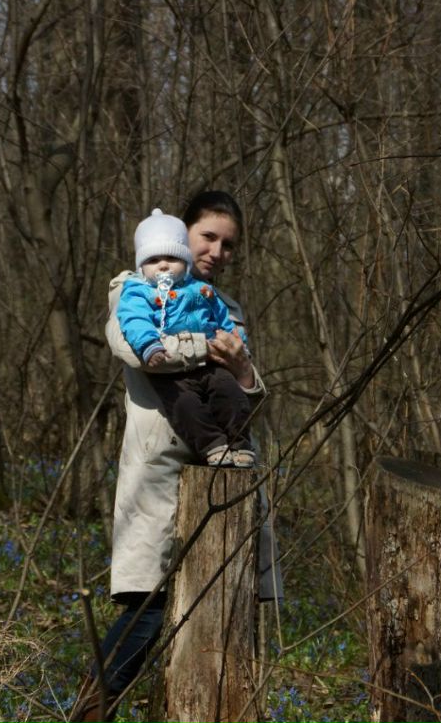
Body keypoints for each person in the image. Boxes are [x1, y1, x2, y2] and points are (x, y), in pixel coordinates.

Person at [69, 191, 281, 723]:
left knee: (219, 615)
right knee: (149, 606)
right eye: (208, 236)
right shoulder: (136, 288)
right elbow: (138, 352)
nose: (217, 251)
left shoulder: (223, 307)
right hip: (161, 478)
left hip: (225, 479)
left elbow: (247, 399)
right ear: (179, 236)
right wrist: (214, 351)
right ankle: (88, 714)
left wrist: (247, 374)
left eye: (228, 244)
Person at [114, 208, 256, 468]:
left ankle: (239, 442)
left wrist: (240, 349)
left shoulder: (203, 291)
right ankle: (214, 443)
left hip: (211, 370)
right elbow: (134, 323)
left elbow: (224, 323)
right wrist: (150, 344)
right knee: (184, 404)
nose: (164, 265)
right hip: (161, 454)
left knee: (228, 392)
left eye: (172, 257)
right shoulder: (134, 290)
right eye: (208, 236)